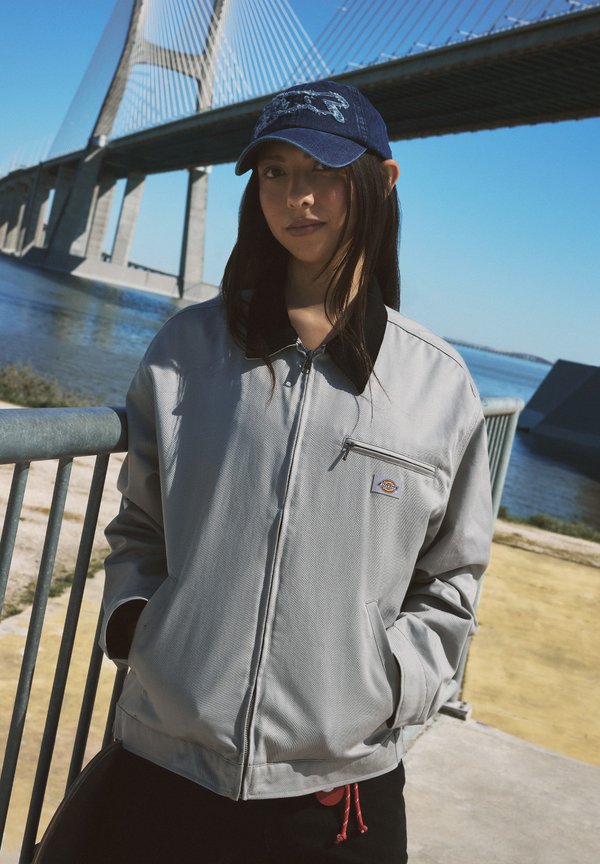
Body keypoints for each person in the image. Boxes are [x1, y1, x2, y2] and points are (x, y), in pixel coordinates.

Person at [34, 80, 493, 863]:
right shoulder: (187, 349)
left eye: (322, 168)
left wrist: (390, 687)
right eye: (274, 171)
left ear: (380, 181)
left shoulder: (438, 384)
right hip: (165, 760)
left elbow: (451, 579)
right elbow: (140, 523)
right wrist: (140, 630)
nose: (297, 196)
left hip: (337, 791)